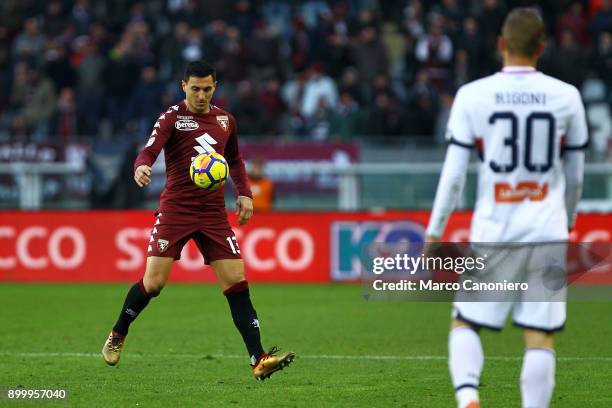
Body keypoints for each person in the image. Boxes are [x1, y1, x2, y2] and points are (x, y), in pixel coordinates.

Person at [425, 9, 587, 408]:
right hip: (546, 229)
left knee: (466, 321)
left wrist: (434, 233)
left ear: (501, 45)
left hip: (495, 230)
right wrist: (565, 220)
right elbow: (577, 174)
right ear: (542, 48)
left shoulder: (472, 96)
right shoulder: (567, 97)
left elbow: (454, 175)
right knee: (539, 335)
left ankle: (468, 400)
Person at [101, 60, 295, 381]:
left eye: (207, 89)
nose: (201, 95)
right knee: (154, 283)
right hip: (176, 210)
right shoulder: (172, 118)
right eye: (195, 89)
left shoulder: (225, 120)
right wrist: (141, 166)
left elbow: (234, 159)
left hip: (212, 213)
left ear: (215, 87)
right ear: (183, 86)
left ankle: (258, 359)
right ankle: (119, 332)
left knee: (236, 281)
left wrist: (244, 193)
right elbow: (149, 149)